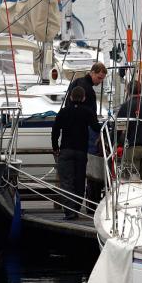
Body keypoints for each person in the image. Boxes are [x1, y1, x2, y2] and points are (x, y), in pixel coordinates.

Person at [52, 86, 101, 220]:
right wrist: (108, 125)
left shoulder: (63, 112)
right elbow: (96, 127)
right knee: (79, 181)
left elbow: (55, 130)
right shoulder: (88, 112)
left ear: (71, 97)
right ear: (84, 98)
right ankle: (77, 209)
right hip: (81, 151)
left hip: (66, 150)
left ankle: (69, 211)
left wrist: (55, 147)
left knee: (66, 182)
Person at [65, 62, 107, 206]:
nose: (100, 82)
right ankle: (88, 202)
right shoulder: (88, 89)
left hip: (71, 134)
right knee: (88, 167)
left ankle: (74, 203)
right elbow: (91, 116)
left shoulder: (77, 81)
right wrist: (99, 131)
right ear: (93, 73)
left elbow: (68, 104)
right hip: (86, 132)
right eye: (99, 78)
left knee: (71, 172)